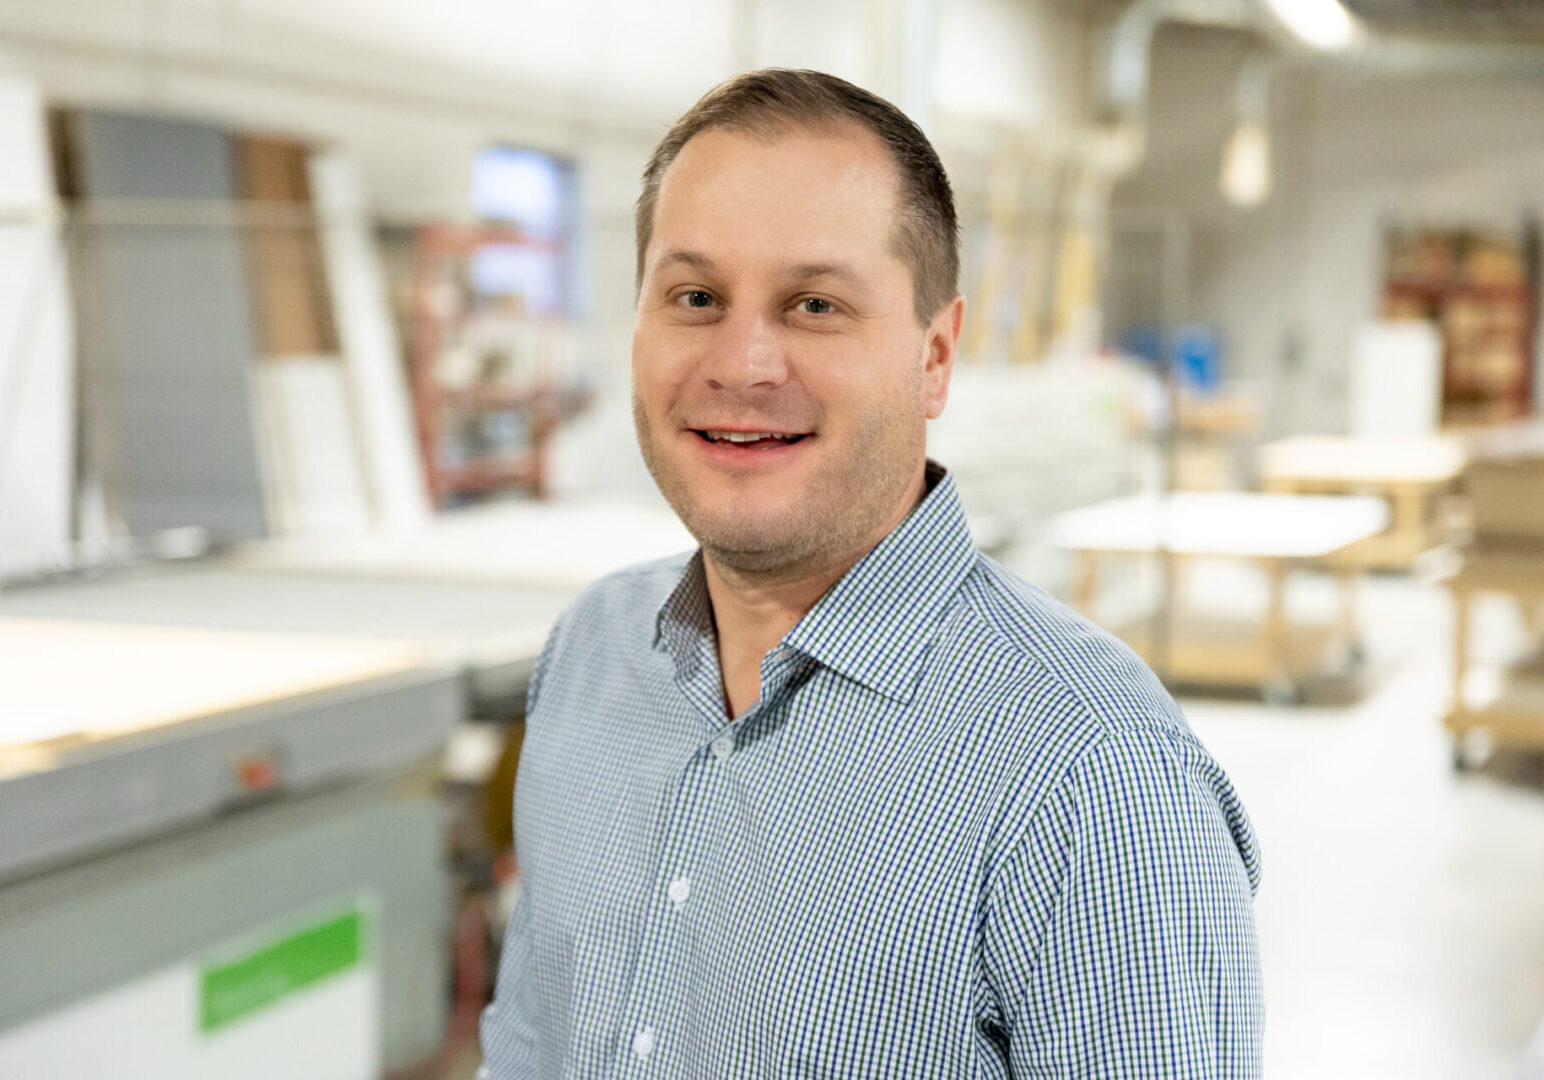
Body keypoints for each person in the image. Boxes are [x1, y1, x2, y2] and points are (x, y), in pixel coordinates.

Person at [480, 68, 1262, 1078]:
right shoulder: (590, 655)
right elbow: (526, 1048)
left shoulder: (1091, 779)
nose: (743, 362)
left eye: (812, 303)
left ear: (933, 358)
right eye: (694, 297)